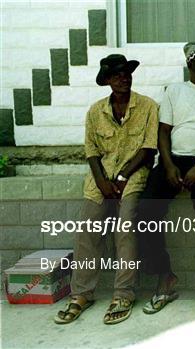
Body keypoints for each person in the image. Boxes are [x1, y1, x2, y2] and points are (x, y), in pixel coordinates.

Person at [54, 54, 158, 324]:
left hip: (134, 177)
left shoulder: (147, 106)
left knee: (125, 227)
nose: (123, 78)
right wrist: (102, 182)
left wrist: (123, 176)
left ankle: (123, 293)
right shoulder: (95, 111)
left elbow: (148, 150)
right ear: (108, 81)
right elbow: (91, 152)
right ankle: (82, 293)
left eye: (126, 73)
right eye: (116, 75)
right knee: (88, 229)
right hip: (101, 180)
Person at [137, 42, 195, 314]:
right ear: (190, 66)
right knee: (145, 208)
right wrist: (167, 165)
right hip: (173, 160)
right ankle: (165, 275)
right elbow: (163, 132)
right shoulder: (174, 91)